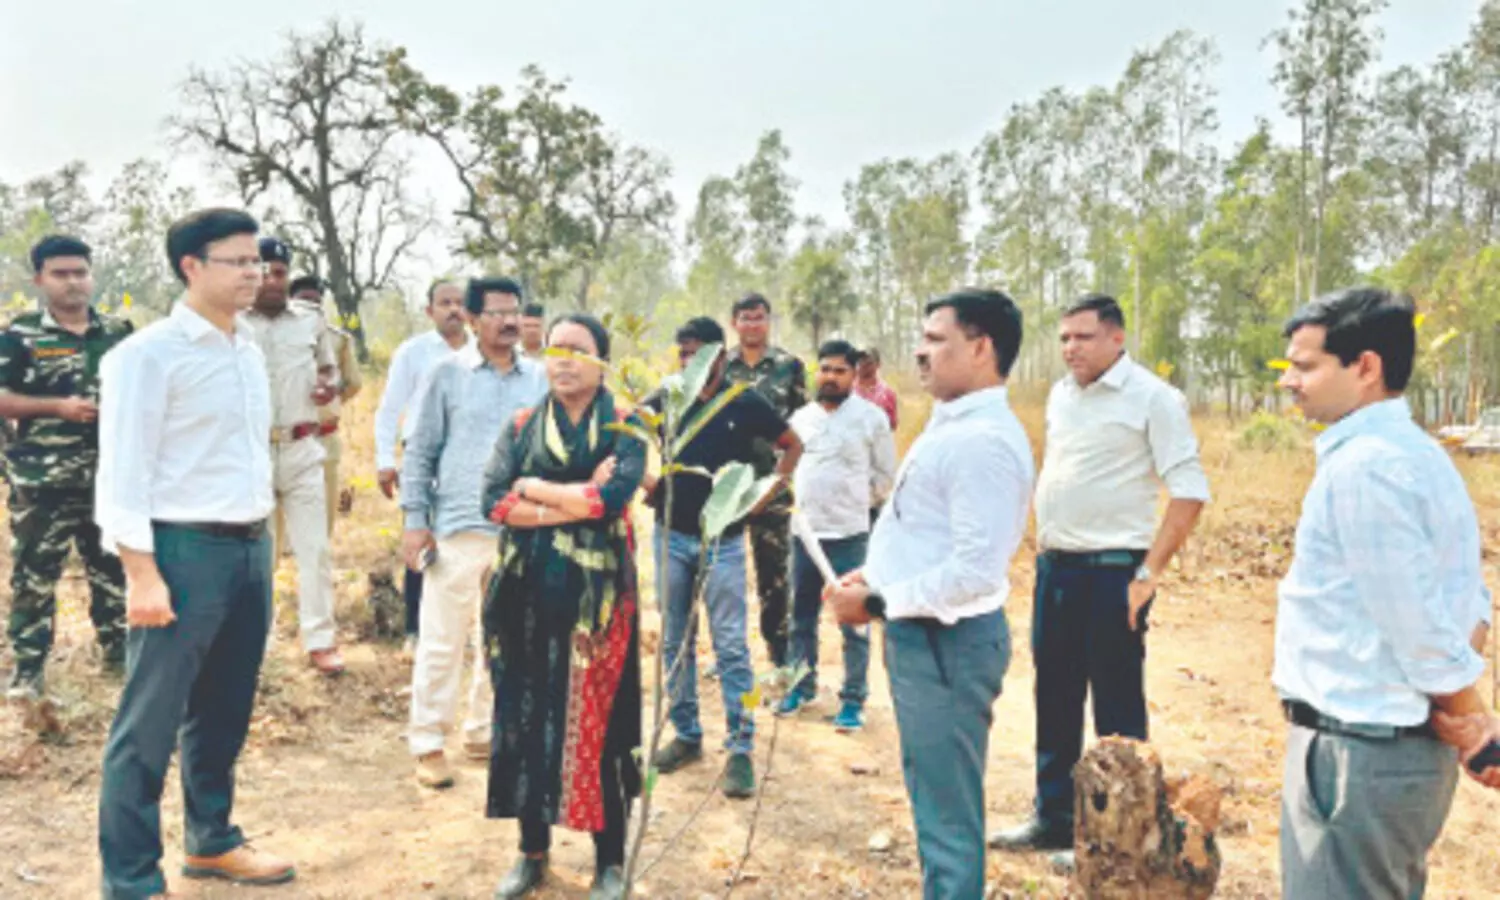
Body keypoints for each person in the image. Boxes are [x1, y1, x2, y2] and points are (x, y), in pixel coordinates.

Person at [1270, 287, 1500, 899]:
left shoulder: (1367, 467)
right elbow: (1469, 600)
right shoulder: (1416, 455)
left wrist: (1474, 721)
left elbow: (1416, 623)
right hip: (1385, 748)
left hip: (1360, 754)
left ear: (1365, 367)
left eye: (1306, 365)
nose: (1290, 381)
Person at [95, 208, 296, 899]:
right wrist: (142, 573)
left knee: (224, 708)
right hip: (181, 552)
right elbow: (123, 473)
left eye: (257, 260)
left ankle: (212, 841)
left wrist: (263, 549)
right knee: (149, 723)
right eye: (237, 261)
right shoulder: (147, 355)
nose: (254, 273)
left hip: (249, 548)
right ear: (191, 266)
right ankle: (130, 877)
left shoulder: (246, 351)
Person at [824, 288, 1034, 900]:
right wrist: (875, 577)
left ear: (981, 347)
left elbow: (975, 570)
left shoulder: (982, 442)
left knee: (947, 819)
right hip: (925, 635)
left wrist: (878, 603)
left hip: (948, 643)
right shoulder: (955, 423)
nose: (920, 351)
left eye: (936, 339)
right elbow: (926, 533)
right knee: (934, 798)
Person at [990, 293, 1209, 862]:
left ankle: (1119, 840)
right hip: (1056, 567)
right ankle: (1055, 818)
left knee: (1116, 708)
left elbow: (1189, 492)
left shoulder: (1154, 399)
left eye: (1083, 337)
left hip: (1114, 572)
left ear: (1117, 338)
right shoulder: (1062, 395)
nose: (1070, 348)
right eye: (1064, 338)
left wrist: (1148, 573)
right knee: (1054, 696)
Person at [480, 313, 645, 900]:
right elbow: (491, 501)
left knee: (601, 727)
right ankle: (532, 854)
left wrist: (533, 488)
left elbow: (612, 499)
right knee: (527, 721)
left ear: (602, 360)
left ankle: (609, 863)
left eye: (578, 349)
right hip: (523, 598)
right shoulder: (523, 425)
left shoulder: (625, 425)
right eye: (554, 349)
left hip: (597, 607)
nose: (564, 360)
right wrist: (572, 498)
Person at [644, 317, 803, 799]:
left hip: (724, 541)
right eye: (681, 353)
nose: (687, 362)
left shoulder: (742, 401)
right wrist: (649, 485)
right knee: (675, 640)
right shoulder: (669, 397)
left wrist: (762, 497)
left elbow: (792, 445)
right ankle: (687, 735)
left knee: (731, 645)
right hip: (671, 537)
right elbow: (627, 429)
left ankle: (740, 749)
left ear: (719, 356)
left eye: (696, 353)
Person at [400, 277, 546, 789]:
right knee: (443, 639)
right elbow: (420, 452)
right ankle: (428, 741)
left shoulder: (539, 379)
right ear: (472, 318)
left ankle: (483, 728)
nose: (508, 322)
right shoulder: (446, 374)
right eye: (497, 313)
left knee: (504, 635)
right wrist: (414, 521)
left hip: (520, 526)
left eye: (515, 312)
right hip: (458, 525)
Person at [0, 235, 132, 707]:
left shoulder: (118, 333)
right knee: (35, 578)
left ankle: (121, 656)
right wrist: (56, 407)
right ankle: (28, 670)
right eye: (61, 274)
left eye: (80, 272)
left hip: (110, 479)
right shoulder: (21, 336)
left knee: (115, 570)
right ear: (39, 279)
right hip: (44, 481)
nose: (73, 282)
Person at [776, 340, 895, 733]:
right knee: (801, 616)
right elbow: (787, 468)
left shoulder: (871, 419)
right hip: (805, 534)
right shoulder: (801, 418)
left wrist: (856, 502)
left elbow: (884, 476)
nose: (830, 377)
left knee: (855, 623)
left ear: (853, 375)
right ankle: (801, 687)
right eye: (825, 369)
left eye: (840, 371)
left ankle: (853, 700)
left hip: (850, 535)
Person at [242, 238, 344, 675]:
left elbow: (329, 369)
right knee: (257, 554)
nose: (270, 280)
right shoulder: (232, 320)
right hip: (251, 452)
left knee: (314, 549)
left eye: (279, 272)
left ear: (288, 275)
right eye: (261, 271)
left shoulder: (310, 320)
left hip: (302, 447)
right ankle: (255, 641)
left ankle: (320, 639)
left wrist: (328, 385)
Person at [374, 279, 474, 654]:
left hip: (469, 458)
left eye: (460, 303)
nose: (453, 310)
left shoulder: (482, 352)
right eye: (445, 303)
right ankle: (415, 630)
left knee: (466, 540)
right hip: (423, 455)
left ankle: (467, 630)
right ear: (429, 310)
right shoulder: (413, 353)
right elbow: (389, 410)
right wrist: (385, 461)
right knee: (421, 537)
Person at [724, 292, 808, 668]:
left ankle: (779, 657)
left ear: (768, 322)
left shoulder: (789, 367)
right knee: (723, 576)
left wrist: (787, 480)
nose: (753, 325)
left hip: (773, 486)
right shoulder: (721, 367)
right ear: (734, 323)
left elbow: (803, 424)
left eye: (759, 317)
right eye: (746, 318)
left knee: (774, 577)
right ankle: (729, 653)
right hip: (728, 487)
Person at [289, 275, 363, 532]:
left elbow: (353, 382)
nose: (310, 307)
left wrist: (330, 401)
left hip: (319, 437)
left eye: (315, 302)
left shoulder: (338, 340)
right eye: (304, 301)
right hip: (288, 439)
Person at [854, 346, 898, 431]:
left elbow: (892, 425)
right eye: (860, 361)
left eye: (868, 362)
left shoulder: (887, 393)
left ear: (878, 365)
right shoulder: (847, 391)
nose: (863, 364)